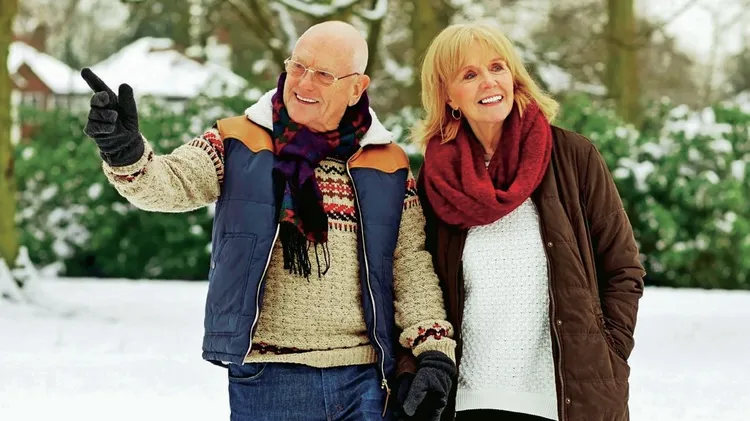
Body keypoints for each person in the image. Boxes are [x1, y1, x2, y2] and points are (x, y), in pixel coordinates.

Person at [80, 20, 457, 421]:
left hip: (365, 381)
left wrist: (433, 349)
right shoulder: (238, 141)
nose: (304, 83)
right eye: (299, 66)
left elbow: (410, 264)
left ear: (356, 88)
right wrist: (126, 153)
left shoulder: (388, 163)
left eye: (324, 74)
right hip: (269, 379)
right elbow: (171, 183)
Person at [397, 23, 646, 421]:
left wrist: (609, 349)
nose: (488, 81)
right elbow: (419, 282)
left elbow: (623, 269)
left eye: (497, 67)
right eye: (469, 74)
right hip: (468, 398)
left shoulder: (573, 157)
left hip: (564, 397)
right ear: (448, 95)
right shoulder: (437, 179)